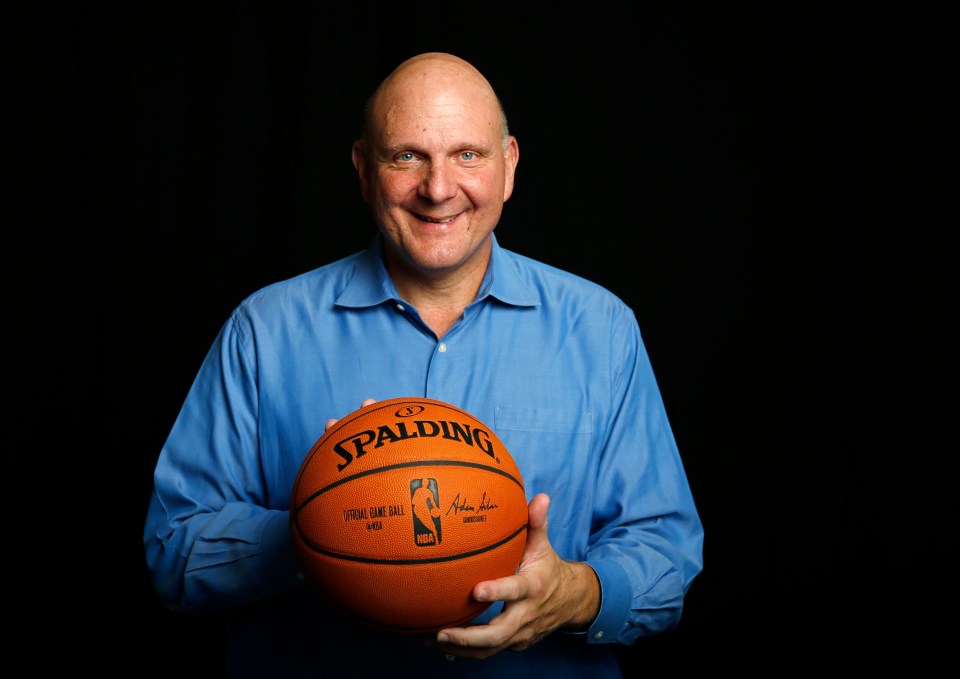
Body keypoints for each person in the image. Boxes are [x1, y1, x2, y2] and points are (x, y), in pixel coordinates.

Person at [143, 51, 704, 678]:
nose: (438, 189)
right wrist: (321, 529)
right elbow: (172, 553)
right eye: (406, 155)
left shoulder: (601, 330)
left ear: (509, 165)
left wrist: (571, 594)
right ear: (362, 169)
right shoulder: (263, 332)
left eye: (469, 155)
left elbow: (667, 556)